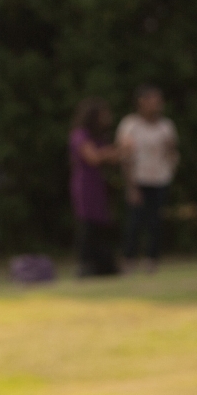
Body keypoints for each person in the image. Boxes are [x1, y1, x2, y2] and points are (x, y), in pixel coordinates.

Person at [117, 86, 178, 271]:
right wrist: (130, 185)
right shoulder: (130, 125)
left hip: (160, 180)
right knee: (135, 222)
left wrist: (170, 167)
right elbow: (124, 156)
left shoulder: (166, 126)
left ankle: (152, 259)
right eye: (153, 100)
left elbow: (172, 153)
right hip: (138, 180)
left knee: (155, 222)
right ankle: (129, 258)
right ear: (141, 102)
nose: (157, 104)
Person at [69, 99, 121, 278]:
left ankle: (104, 265)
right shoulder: (80, 135)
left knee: (101, 224)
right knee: (88, 224)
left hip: (99, 184)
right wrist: (112, 151)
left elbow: (111, 157)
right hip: (85, 184)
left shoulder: (98, 136)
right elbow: (93, 158)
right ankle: (86, 264)